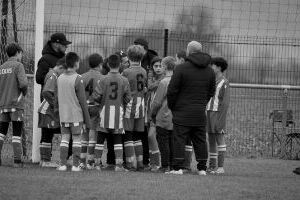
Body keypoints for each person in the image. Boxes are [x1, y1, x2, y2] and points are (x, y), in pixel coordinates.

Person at [167, 41, 216, 175]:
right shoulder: (210, 71)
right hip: (199, 112)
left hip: (181, 111)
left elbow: (172, 91)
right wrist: (202, 103)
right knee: (200, 140)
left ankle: (177, 168)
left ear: (188, 52)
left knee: (179, 139)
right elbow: (212, 91)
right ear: (201, 51)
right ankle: (202, 168)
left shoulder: (181, 69)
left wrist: (173, 107)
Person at [36, 32, 73, 160]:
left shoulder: (65, 58)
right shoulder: (45, 59)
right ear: (56, 44)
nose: (66, 47)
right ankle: (45, 159)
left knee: (66, 128)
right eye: (64, 44)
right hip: (50, 101)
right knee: (47, 131)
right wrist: (53, 75)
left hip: (61, 102)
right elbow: (39, 78)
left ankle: (66, 156)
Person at [92, 54, 131, 171]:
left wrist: (101, 101)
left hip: (104, 112)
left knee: (100, 138)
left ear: (108, 65)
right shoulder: (124, 80)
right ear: (120, 65)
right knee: (118, 138)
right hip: (118, 112)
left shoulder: (103, 79)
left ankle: (97, 164)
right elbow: (128, 97)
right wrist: (121, 101)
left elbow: (96, 96)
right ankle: (119, 165)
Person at [56, 52, 91, 172]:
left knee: (64, 139)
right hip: (76, 116)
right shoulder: (78, 78)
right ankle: (76, 166)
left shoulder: (59, 78)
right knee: (77, 140)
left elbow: (56, 98)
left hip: (63, 116)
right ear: (76, 63)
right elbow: (82, 101)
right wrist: (87, 121)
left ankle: (62, 164)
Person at [0, 43, 28, 167]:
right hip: (16, 104)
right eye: (21, 53)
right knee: (16, 133)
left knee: (1, 132)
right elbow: (23, 84)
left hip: (3, 104)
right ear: (18, 52)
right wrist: (24, 93)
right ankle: (17, 161)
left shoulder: (2, 67)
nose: (21, 56)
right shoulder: (18, 65)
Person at [122, 45, 147, 170]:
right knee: (137, 136)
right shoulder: (144, 71)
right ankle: (140, 163)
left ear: (128, 57)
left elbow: (123, 88)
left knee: (128, 134)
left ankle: (131, 164)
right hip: (141, 104)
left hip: (129, 105)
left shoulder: (126, 72)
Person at [134, 37, 158, 167]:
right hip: (137, 101)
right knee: (140, 130)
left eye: (139, 47)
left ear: (145, 48)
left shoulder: (153, 60)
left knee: (150, 131)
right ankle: (142, 159)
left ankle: (151, 160)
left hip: (150, 101)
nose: (136, 49)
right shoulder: (133, 58)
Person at [38, 57, 65, 168]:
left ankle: (44, 160)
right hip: (47, 111)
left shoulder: (53, 74)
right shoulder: (53, 75)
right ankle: (45, 161)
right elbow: (46, 92)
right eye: (64, 71)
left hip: (46, 111)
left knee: (47, 135)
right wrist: (56, 105)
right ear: (61, 67)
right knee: (47, 135)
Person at [151, 56, 176, 173]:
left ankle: (165, 165)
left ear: (165, 66)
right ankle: (172, 165)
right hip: (175, 117)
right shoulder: (177, 80)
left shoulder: (164, 82)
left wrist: (152, 114)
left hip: (163, 116)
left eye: (161, 65)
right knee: (172, 142)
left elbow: (157, 102)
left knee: (163, 141)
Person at [80, 53, 104, 169]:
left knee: (84, 134)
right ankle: (90, 161)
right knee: (93, 134)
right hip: (96, 107)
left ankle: (82, 161)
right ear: (100, 64)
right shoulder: (102, 78)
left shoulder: (82, 76)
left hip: (84, 107)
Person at [206, 57, 230, 174]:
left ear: (219, 67)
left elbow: (225, 103)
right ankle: (212, 166)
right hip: (208, 113)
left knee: (219, 139)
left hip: (217, 114)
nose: (211, 68)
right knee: (211, 140)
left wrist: (221, 119)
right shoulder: (211, 80)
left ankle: (220, 167)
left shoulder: (224, 82)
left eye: (213, 66)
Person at [175, 50, 193, 171]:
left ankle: (181, 164)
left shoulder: (180, 71)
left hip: (183, 109)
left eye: (176, 59)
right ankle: (187, 165)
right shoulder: (194, 71)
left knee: (181, 137)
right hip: (194, 108)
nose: (176, 62)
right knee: (189, 139)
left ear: (181, 60)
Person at [146, 56, 164, 171]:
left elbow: (150, 87)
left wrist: (150, 78)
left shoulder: (164, 79)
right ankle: (152, 163)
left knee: (151, 136)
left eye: (160, 66)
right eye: (155, 66)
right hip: (148, 111)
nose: (158, 68)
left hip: (159, 112)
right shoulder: (151, 78)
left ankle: (157, 163)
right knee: (150, 138)